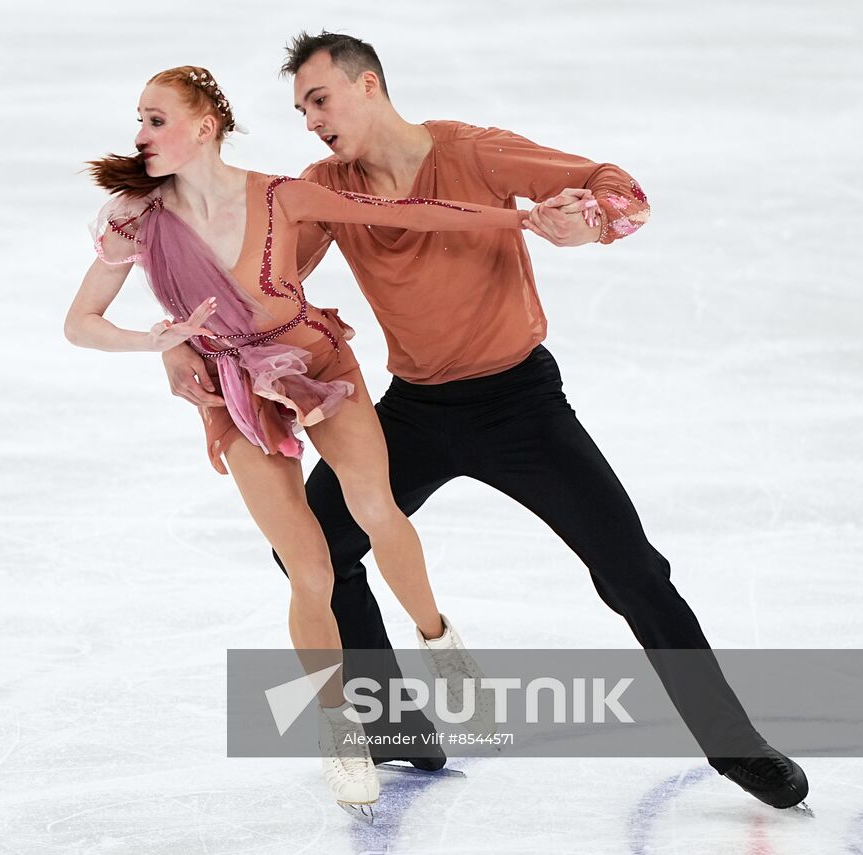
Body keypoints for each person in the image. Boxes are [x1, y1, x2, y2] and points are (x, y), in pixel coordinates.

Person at [159, 32, 809, 812]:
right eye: (300, 109)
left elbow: (621, 189)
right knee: (317, 544)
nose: (310, 121)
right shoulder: (326, 185)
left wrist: (590, 223)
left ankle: (734, 739)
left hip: (522, 406)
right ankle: (392, 720)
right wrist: (185, 346)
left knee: (633, 569)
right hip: (418, 411)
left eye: (320, 99)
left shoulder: (475, 152)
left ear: (369, 86)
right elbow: (257, 283)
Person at [64, 65, 535, 818]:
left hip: (318, 365)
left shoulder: (282, 195)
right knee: (309, 570)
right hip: (236, 390)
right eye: (139, 120)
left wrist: (521, 220)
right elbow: (79, 322)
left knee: (377, 509)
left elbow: (420, 215)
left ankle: (439, 640)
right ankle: (339, 728)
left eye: (156, 119)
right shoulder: (135, 218)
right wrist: (159, 342)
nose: (141, 135)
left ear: (205, 125)